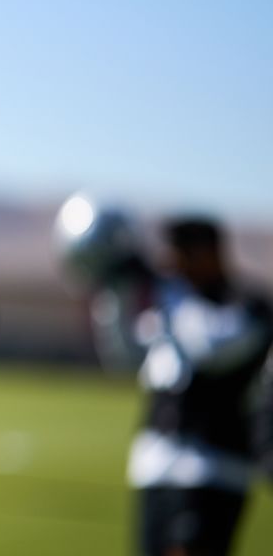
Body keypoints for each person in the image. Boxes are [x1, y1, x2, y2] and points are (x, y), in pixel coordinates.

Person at [56, 205, 272, 556]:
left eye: (178, 253)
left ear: (206, 253)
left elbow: (210, 348)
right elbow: (125, 357)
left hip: (212, 473)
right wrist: (115, 294)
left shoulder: (247, 306)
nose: (168, 263)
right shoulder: (170, 304)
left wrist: (168, 296)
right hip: (154, 470)